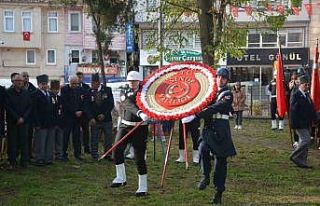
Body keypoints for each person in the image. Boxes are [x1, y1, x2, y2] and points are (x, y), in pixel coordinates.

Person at [183, 68, 236, 204]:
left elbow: (217, 107)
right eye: (219, 77)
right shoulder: (209, 93)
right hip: (208, 127)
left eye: (223, 78)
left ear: (227, 80)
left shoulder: (228, 94)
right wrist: (186, 109)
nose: (220, 79)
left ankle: (218, 192)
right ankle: (205, 176)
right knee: (202, 149)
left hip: (221, 129)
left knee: (221, 162)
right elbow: (198, 102)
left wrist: (196, 115)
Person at [109, 71, 150, 197]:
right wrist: (140, 113)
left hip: (140, 128)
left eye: (134, 81)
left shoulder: (145, 93)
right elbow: (128, 104)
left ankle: (142, 186)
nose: (132, 83)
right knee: (117, 150)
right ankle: (121, 178)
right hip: (125, 126)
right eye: (130, 81)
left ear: (139, 81)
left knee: (139, 158)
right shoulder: (124, 92)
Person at [5, 74, 32, 168]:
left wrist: (23, 118)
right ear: (13, 82)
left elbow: (29, 106)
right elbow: (8, 107)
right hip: (13, 121)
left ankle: (24, 161)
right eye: (18, 81)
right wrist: (17, 118)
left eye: (21, 81)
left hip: (24, 121)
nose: (20, 82)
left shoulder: (26, 92)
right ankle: (12, 161)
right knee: (12, 142)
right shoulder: (8, 92)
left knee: (24, 141)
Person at [86, 73, 114, 161]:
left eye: (93, 83)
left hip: (106, 119)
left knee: (108, 137)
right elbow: (86, 106)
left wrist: (104, 114)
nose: (91, 85)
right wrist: (91, 118)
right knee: (94, 138)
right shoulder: (89, 92)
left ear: (98, 83)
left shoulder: (107, 90)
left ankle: (108, 154)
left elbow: (110, 104)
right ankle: (94, 154)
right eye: (91, 83)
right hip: (95, 120)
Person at [289, 75, 315, 169]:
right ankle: (294, 156)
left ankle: (302, 161)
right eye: (305, 84)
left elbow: (310, 108)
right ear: (300, 84)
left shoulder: (306, 95)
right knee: (306, 140)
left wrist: (314, 119)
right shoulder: (295, 94)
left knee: (305, 142)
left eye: (308, 85)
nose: (307, 86)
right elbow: (293, 111)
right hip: (299, 123)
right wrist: (294, 124)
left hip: (306, 122)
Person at [61, 76, 86, 161]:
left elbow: (83, 102)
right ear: (69, 82)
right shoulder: (64, 89)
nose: (74, 85)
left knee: (77, 136)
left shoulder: (80, 90)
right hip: (68, 117)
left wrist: (81, 111)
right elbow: (65, 103)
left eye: (76, 83)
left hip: (78, 117)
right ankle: (63, 154)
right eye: (73, 83)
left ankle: (77, 154)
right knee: (66, 136)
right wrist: (74, 111)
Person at [33, 74, 55, 166]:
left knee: (49, 142)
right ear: (39, 85)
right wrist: (36, 123)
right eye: (43, 84)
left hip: (50, 122)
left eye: (46, 83)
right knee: (40, 142)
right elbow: (34, 110)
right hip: (41, 123)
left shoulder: (50, 94)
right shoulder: (35, 94)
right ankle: (39, 158)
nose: (45, 85)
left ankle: (48, 158)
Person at [21, 71, 37, 159]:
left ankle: (29, 154)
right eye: (24, 76)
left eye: (27, 76)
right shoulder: (16, 88)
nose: (26, 78)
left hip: (30, 117)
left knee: (29, 136)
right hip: (19, 117)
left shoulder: (33, 88)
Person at [76, 71, 91, 154]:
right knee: (77, 132)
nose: (79, 79)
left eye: (80, 77)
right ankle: (77, 148)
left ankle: (86, 147)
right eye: (78, 77)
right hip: (76, 114)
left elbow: (87, 101)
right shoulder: (72, 87)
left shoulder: (86, 87)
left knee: (86, 131)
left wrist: (84, 111)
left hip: (84, 114)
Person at [50, 80, 64, 161]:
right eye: (54, 89)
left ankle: (59, 155)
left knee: (59, 140)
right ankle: (51, 155)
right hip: (52, 122)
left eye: (57, 89)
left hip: (60, 122)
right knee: (52, 140)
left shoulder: (60, 98)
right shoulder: (49, 97)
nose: (56, 91)